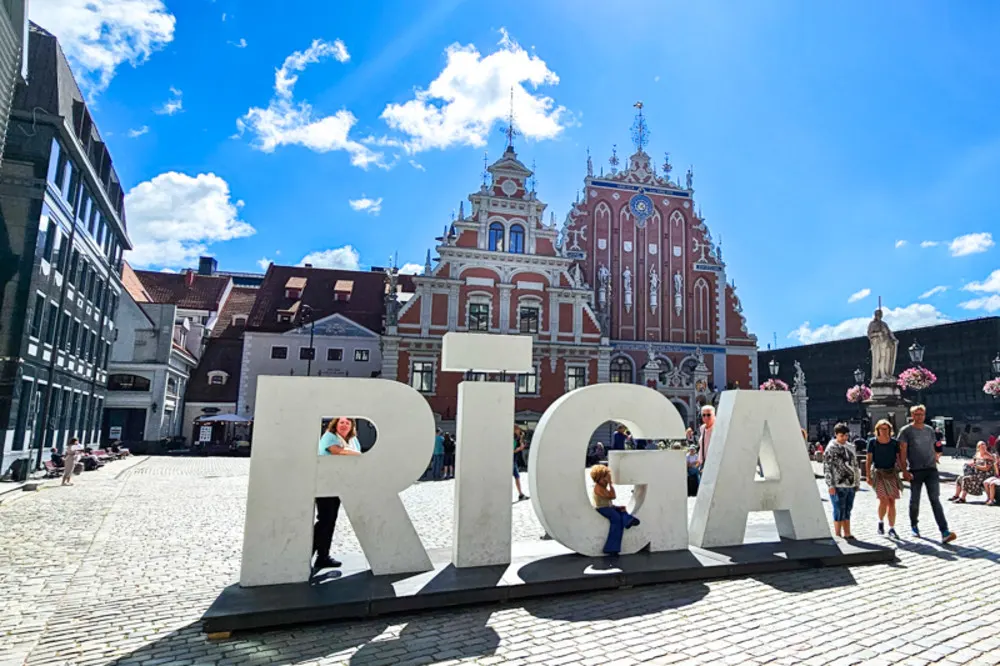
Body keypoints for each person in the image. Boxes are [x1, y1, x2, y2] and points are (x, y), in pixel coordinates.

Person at [898, 404, 957, 543]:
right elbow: (903, 451)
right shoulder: (906, 431)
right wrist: (904, 470)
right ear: (912, 416)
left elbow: (935, 445)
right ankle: (914, 524)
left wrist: (937, 455)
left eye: (921, 414)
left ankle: (944, 531)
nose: (919, 417)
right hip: (915, 469)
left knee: (935, 500)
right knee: (915, 500)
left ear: (925, 415)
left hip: (931, 469)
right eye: (916, 414)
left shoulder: (930, 430)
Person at [313, 417, 362, 572]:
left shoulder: (353, 440)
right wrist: (357, 454)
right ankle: (307, 553)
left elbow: (356, 455)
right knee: (324, 520)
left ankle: (323, 556)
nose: (344, 425)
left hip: (339, 484)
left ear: (352, 426)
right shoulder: (329, 436)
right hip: (325, 483)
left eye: (347, 423)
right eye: (341, 422)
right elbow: (337, 451)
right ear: (335, 424)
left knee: (330, 520)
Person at [590, 464, 640, 555]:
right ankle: (611, 548)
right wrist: (610, 484)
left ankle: (628, 520)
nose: (605, 480)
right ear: (597, 478)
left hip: (608, 507)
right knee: (616, 519)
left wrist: (609, 485)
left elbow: (611, 497)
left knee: (621, 510)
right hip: (602, 508)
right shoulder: (598, 488)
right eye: (603, 478)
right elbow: (612, 496)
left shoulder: (603, 486)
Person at [866, 419, 903, 538]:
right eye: (881, 429)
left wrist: (904, 471)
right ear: (877, 430)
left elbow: (898, 458)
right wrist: (868, 476)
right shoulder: (872, 442)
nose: (884, 431)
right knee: (883, 500)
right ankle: (881, 522)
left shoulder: (894, 443)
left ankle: (892, 528)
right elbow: (868, 460)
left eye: (886, 429)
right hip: (879, 473)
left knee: (892, 501)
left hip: (891, 473)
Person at [824, 423, 860, 539]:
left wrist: (857, 482)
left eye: (846, 435)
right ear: (836, 435)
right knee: (838, 508)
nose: (844, 438)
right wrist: (830, 484)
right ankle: (838, 533)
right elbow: (827, 467)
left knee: (848, 508)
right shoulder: (831, 448)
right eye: (841, 436)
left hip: (850, 483)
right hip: (837, 483)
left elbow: (855, 465)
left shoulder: (851, 447)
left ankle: (847, 532)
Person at [696, 405, 716, 469]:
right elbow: (703, 446)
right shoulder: (702, 428)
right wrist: (699, 460)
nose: (706, 417)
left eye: (708, 415)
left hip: (713, 463)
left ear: (714, 415)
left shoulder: (717, 428)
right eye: (704, 415)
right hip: (703, 464)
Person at [513, 425, 528, 501]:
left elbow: (521, 446)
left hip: (514, 461)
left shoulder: (517, 438)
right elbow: (512, 450)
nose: (520, 431)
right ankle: (520, 494)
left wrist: (521, 439)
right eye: (518, 430)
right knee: (517, 477)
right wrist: (519, 449)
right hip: (511, 461)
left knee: (517, 477)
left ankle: (521, 494)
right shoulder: (513, 438)